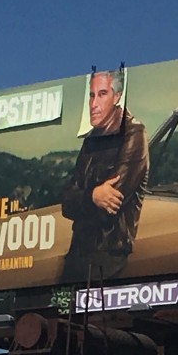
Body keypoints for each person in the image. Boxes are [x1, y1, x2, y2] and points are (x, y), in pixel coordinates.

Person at [61, 70, 149, 282]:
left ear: (117, 97)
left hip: (108, 254)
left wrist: (83, 198)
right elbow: (66, 202)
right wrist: (92, 196)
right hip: (78, 251)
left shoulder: (133, 134)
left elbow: (110, 205)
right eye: (91, 95)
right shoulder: (92, 139)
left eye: (102, 94)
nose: (93, 103)